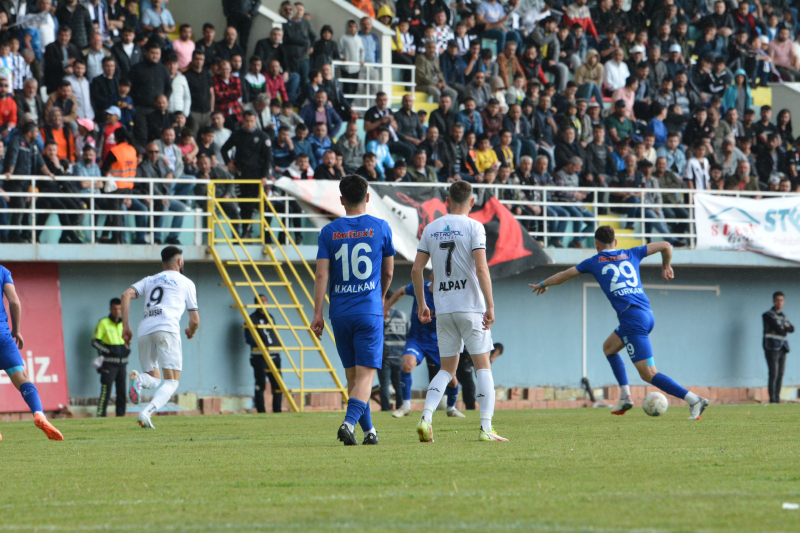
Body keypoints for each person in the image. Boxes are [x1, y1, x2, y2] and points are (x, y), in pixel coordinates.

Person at [530, 226, 710, 420]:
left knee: (649, 373)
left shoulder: (594, 261)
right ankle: (625, 396)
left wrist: (543, 284)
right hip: (645, 314)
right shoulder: (631, 252)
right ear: (615, 242)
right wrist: (666, 266)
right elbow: (666, 245)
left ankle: (694, 399)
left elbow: (564, 275)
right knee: (609, 347)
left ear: (596, 245)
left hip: (632, 319)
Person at [412, 181, 506, 442]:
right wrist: (491, 305)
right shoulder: (474, 226)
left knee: (446, 369)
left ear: (447, 201)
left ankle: (426, 418)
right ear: (472, 202)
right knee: (483, 367)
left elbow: (416, 270)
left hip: (443, 309)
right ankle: (486, 428)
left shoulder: (431, 228)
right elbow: (481, 268)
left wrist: (422, 303)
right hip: (471, 308)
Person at [311, 175, 395, 446]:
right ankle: (348, 423)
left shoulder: (328, 232)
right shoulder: (381, 227)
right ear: (367, 197)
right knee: (367, 376)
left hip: (340, 312)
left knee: (352, 376)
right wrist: (380, 297)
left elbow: (321, 275)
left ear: (341, 200)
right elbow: (389, 271)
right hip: (368, 311)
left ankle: (369, 431)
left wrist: (317, 313)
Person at [123, 246, 200, 429]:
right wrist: (191, 331)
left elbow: (126, 294)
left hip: (144, 330)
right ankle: (146, 412)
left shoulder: (150, 280)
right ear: (180, 262)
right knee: (172, 381)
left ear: (162, 263)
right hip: (167, 329)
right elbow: (195, 320)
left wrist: (126, 327)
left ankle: (139, 379)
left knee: (154, 378)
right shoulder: (186, 282)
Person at [383, 277, 464, 419]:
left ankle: (451, 408)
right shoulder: (421, 288)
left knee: (451, 379)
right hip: (416, 340)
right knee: (407, 364)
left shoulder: (449, 295)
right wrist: (386, 307)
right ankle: (405, 406)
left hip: (438, 342)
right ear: (433, 276)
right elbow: (401, 290)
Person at [0, 264, 64, 441]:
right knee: (22, 377)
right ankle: (39, 414)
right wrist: (17, 330)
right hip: (3, 336)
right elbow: (14, 301)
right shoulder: (2, 271)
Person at [244, 294, 283, 414]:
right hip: (260, 356)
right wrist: (262, 345)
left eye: (265, 300)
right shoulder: (251, 318)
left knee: (278, 385)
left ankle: (277, 411)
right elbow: (248, 338)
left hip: (274, 355)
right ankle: (261, 411)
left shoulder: (270, 317)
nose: (263, 303)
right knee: (260, 384)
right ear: (256, 303)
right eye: (260, 301)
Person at [92, 297, 131, 418]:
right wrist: (109, 351)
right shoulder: (103, 323)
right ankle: (101, 415)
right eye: (115, 309)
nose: (117, 311)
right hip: (109, 363)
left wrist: (126, 348)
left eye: (119, 309)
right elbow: (94, 342)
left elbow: (128, 339)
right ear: (110, 309)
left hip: (122, 363)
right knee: (106, 390)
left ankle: (121, 415)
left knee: (122, 391)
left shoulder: (124, 323)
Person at [763, 292, 794, 404]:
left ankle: (777, 397)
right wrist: (783, 328)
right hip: (771, 347)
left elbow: (792, 329)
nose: (779, 302)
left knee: (780, 374)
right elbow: (780, 329)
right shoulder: (767, 315)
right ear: (773, 301)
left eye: (781, 300)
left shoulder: (784, 316)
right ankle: (772, 399)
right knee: (773, 373)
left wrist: (783, 328)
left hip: (783, 348)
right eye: (777, 300)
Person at [380, 290, 406, 412]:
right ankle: (401, 407)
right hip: (400, 355)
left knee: (384, 383)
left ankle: (385, 408)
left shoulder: (383, 315)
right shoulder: (403, 315)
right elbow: (407, 334)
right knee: (399, 384)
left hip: (385, 355)